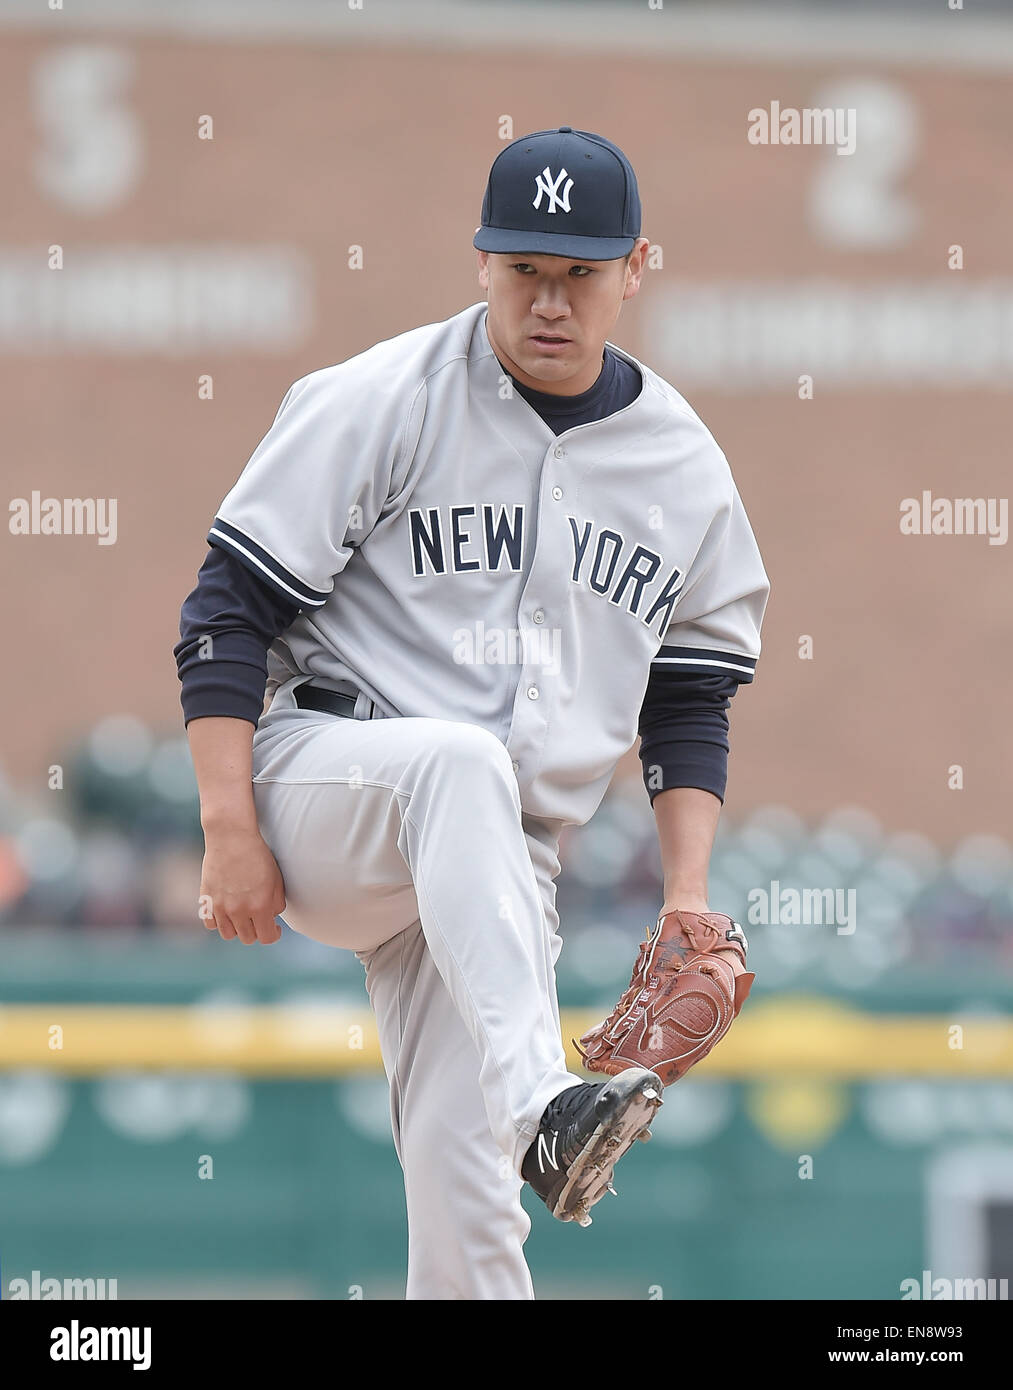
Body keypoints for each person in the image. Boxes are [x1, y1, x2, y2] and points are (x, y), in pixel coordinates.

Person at [174, 127, 769, 1300]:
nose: (550, 300)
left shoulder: (682, 467)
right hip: (326, 780)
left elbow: (691, 694)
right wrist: (226, 826)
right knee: (453, 762)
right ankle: (544, 1105)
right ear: (479, 261)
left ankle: (526, 1125)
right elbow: (221, 609)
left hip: (497, 870)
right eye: (523, 269)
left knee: (472, 1232)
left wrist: (687, 897)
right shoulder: (382, 397)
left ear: (635, 267)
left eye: (580, 274)